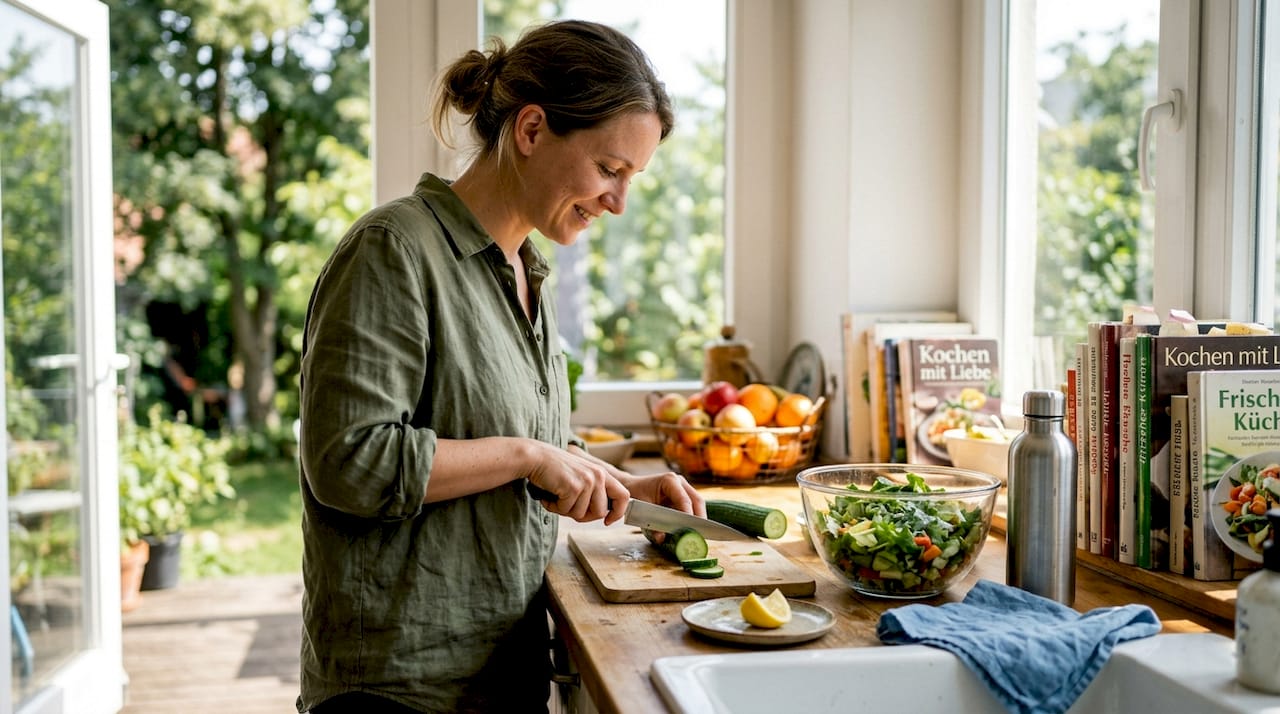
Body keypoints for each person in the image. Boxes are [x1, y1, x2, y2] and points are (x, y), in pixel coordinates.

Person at [295, 19, 702, 714]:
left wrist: (626, 487)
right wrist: (527, 456)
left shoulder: (524, 272)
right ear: (532, 129)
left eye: (631, 179)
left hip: (498, 676)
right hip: (400, 692)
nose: (618, 202)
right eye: (610, 169)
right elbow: (349, 463)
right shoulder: (393, 250)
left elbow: (519, 444)